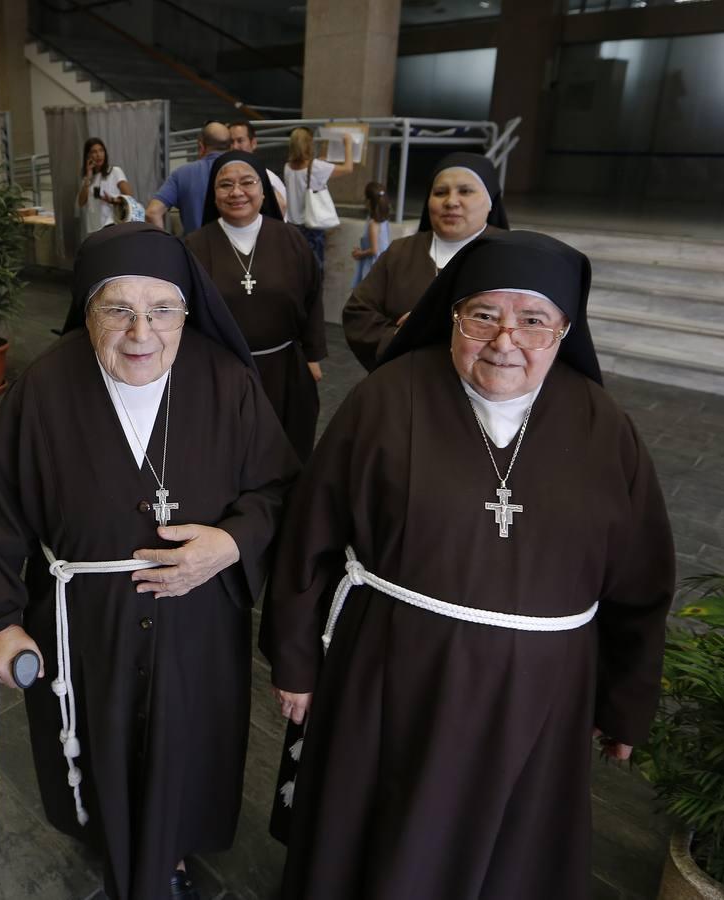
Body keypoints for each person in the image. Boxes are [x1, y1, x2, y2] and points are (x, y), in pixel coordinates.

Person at [260, 230, 675, 899]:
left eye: (533, 320)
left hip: (538, 700)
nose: (504, 339)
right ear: (451, 314)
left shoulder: (603, 426)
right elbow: (310, 535)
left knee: (509, 858)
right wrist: (296, 662)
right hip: (390, 676)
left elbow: (640, 582)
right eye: (482, 314)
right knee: (375, 841)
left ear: (564, 330)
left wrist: (624, 704)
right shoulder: (387, 398)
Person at [0, 222, 299, 900]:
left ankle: (165, 855)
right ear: (87, 312)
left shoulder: (225, 380)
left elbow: (279, 487)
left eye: (162, 309)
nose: (141, 330)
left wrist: (228, 544)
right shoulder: (45, 388)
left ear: (187, 311)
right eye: (117, 308)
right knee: (99, 734)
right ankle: (117, 843)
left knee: (187, 736)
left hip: (198, 615)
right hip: (85, 617)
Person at [185, 150, 326, 460]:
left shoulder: (291, 239)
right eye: (225, 185)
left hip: (285, 368)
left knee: (285, 451)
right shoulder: (194, 246)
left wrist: (313, 356)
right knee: (228, 453)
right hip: (220, 373)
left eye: (247, 182)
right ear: (213, 194)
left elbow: (312, 295)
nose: (237, 192)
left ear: (264, 190)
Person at [342, 151, 509, 372]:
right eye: (440, 192)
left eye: (465, 191)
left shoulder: (511, 255)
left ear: (490, 201)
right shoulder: (400, 252)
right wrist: (398, 337)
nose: (451, 202)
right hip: (406, 381)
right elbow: (357, 312)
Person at [281, 126, 353, 273]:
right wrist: (348, 144)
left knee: (296, 268)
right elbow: (348, 168)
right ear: (309, 144)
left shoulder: (287, 167)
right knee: (315, 269)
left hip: (293, 226)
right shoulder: (317, 167)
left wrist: (327, 145)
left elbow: (316, 166)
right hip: (311, 227)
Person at [145, 121, 229, 234]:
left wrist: (164, 246)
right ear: (231, 147)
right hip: (237, 249)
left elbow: (152, 213)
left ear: (201, 146)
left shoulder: (182, 174)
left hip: (195, 249)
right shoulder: (243, 171)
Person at [227, 120, 287, 218]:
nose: (234, 147)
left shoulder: (269, 178)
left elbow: (281, 209)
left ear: (253, 143)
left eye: (240, 140)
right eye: (230, 142)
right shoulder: (221, 176)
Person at [76, 137, 133, 234]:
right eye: (94, 152)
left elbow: (129, 197)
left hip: (113, 224)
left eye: (101, 150)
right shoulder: (88, 179)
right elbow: (81, 203)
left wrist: (112, 200)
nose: (98, 155)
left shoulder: (115, 171)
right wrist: (88, 177)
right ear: (88, 156)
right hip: (94, 229)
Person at [350, 181, 391, 289]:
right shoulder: (384, 220)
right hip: (382, 265)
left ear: (368, 201)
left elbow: (374, 250)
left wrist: (360, 253)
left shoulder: (373, 224)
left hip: (372, 266)